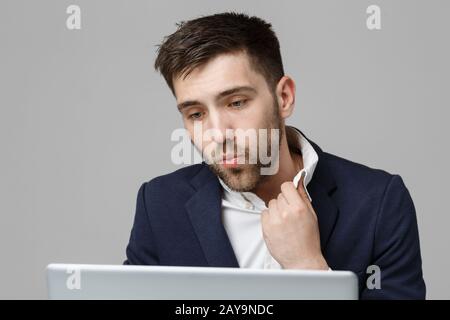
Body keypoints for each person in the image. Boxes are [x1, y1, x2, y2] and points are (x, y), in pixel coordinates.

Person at [123, 12, 425, 299]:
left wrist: (308, 268)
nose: (217, 133)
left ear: (284, 98)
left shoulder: (379, 203)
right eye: (196, 113)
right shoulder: (160, 204)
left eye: (236, 103)